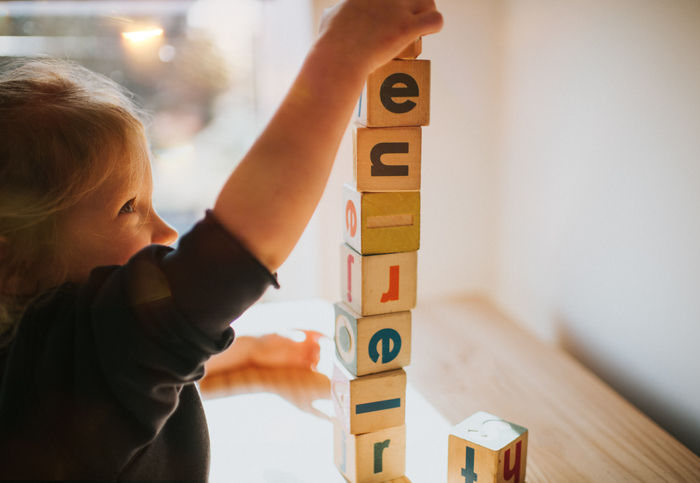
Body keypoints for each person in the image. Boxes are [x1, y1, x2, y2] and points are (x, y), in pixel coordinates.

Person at [0, 0, 443, 479]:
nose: (167, 233)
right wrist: (343, 56)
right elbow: (234, 252)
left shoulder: (46, 365)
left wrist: (241, 350)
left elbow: (139, 369)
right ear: (13, 263)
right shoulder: (61, 367)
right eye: (128, 208)